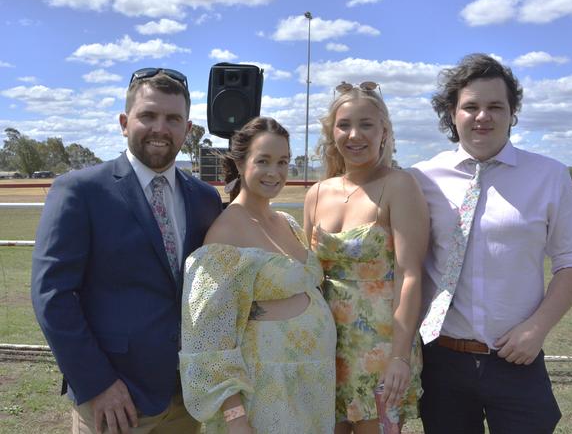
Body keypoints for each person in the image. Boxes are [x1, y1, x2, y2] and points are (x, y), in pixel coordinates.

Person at [31, 68, 222, 434]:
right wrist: (97, 384)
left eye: (172, 118)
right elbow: (52, 296)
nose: (160, 128)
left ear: (188, 127)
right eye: (148, 115)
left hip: (185, 400)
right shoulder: (79, 191)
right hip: (115, 402)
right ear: (124, 122)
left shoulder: (204, 199)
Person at [410, 53, 572, 433]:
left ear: (513, 112)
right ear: (452, 113)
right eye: (471, 106)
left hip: (516, 357)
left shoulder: (550, 175)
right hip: (442, 358)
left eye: (496, 106)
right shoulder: (420, 179)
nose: (483, 116)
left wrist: (537, 328)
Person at [180, 116, 336, 434]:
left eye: (282, 162)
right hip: (264, 397)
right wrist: (236, 419)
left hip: (310, 390)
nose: (274, 172)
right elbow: (209, 339)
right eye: (262, 161)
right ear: (239, 163)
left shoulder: (286, 223)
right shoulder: (225, 232)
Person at [304, 82, 429, 433]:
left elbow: (409, 275)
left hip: (381, 348)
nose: (354, 135)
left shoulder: (399, 185)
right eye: (344, 125)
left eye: (366, 124)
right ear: (332, 132)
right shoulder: (316, 194)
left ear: (384, 131)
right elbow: (309, 273)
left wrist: (399, 356)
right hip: (325, 346)